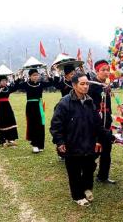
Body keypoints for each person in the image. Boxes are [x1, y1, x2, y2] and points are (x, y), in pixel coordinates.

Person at [50, 72, 107, 206]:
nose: (86, 86)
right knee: (74, 171)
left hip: (88, 142)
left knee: (89, 167)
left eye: (87, 83)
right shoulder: (64, 103)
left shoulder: (90, 101)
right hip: (72, 143)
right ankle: (77, 196)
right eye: (82, 84)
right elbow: (55, 125)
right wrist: (60, 141)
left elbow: (97, 124)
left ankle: (87, 189)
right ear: (74, 85)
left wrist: (104, 137)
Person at [88, 60, 116, 184]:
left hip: (106, 122)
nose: (106, 72)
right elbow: (91, 106)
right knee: (93, 151)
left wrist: (109, 119)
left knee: (106, 150)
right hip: (95, 123)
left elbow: (108, 106)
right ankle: (85, 173)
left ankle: (103, 176)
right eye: (103, 70)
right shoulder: (92, 86)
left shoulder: (106, 86)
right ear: (97, 71)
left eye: (107, 69)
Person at [16, 68, 54, 153]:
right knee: (32, 125)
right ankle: (34, 145)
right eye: (34, 75)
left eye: (37, 75)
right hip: (30, 106)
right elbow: (16, 85)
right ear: (30, 76)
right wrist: (20, 75)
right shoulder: (26, 84)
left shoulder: (41, 84)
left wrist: (47, 72)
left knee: (40, 124)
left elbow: (52, 83)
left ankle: (40, 145)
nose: (36, 77)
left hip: (39, 105)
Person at [0, 75, 19, 146]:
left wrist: (18, 78)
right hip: (0, 107)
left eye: (5, 81)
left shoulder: (8, 88)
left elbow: (15, 87)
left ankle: (11, 139)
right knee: (2, 123)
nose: (4, 82)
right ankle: (2, 140)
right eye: (3, 81)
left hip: (7, 106)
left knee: (11, 121)